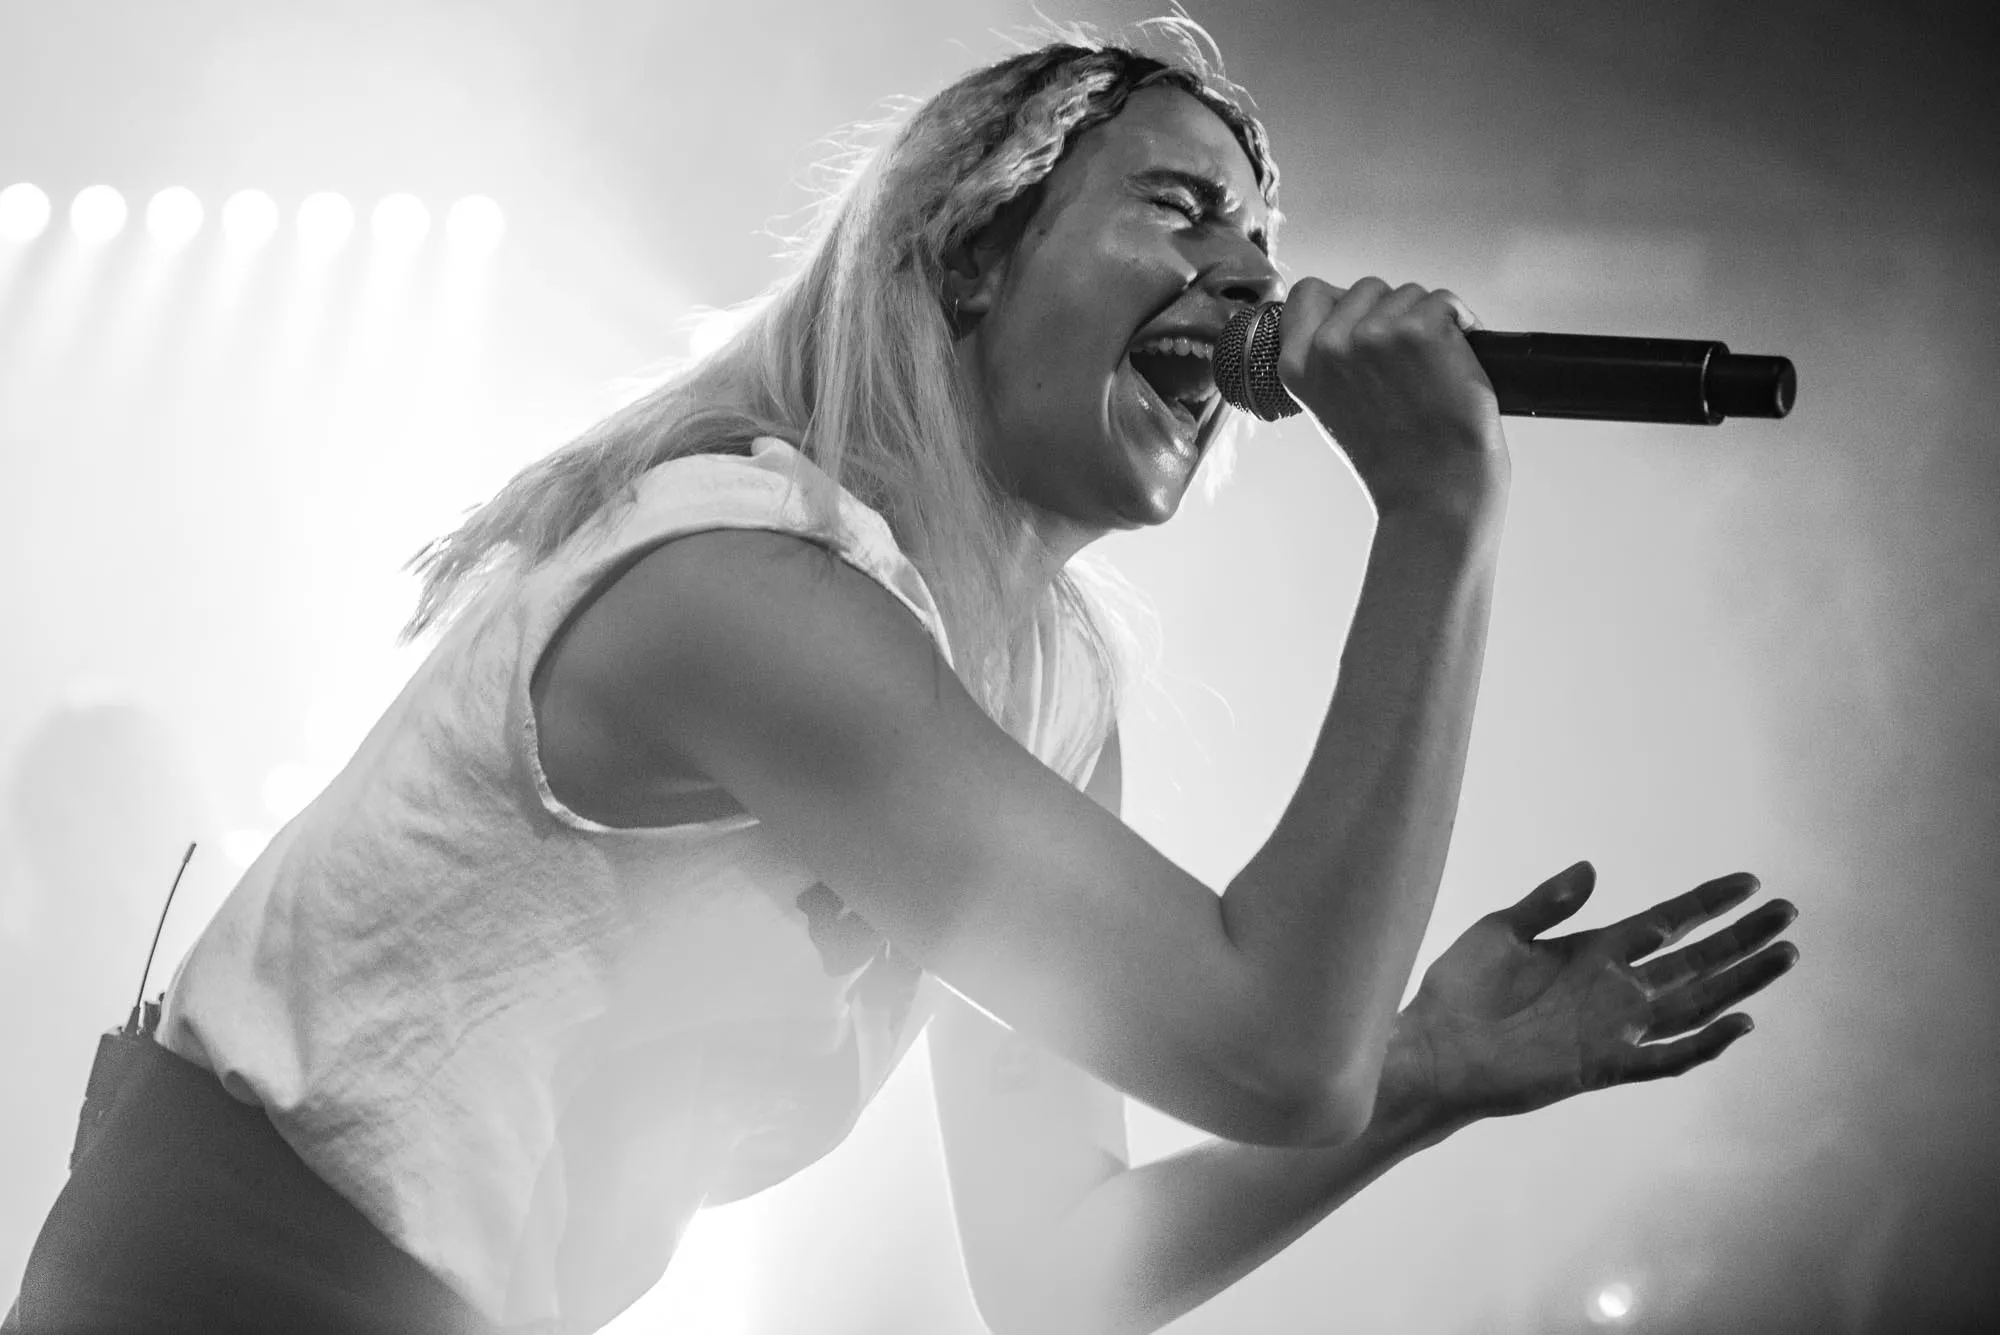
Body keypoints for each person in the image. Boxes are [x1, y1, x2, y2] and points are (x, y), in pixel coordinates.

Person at [7, 21, 1800, 1335]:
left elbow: (1060, 1271)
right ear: (972, 244)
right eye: (1180, 209)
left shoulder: (1035, 701)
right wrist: (1438, 513)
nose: (1248, 282)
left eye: (1258, 242)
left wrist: (1411, 1079)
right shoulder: (739, 578)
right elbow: (1266, 1052)